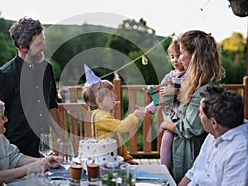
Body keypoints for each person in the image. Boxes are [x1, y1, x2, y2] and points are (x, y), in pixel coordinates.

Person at [159, 30, 225, 182]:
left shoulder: (205, 90)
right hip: (183, 152)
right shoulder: (195, 84)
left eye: (181, 53)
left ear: (194, 56)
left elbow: (189, 128)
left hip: (191, 154)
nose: (179, 58)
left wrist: (165, 124)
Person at [0, 17, 61, 157]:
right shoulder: (5, 74)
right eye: (38, 44)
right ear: (22, 47)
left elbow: (52, 105)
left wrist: (62, 136)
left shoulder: (47, 68)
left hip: (44, 149)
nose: (44, 47)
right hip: (16, 153)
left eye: (43, 41)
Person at [178, 86, 248, 185]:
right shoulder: (215, 133)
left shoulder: (240, 152)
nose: (199, 116)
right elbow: (193, 172)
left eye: (201, 113)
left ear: (213, 122)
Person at [82, 64, 147, 165]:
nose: (115, 96)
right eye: (110, 95)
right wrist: (135, 116)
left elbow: (118, 139)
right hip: (105, 163)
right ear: (99, 101)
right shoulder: (100, 117)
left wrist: (126, 158)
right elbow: (123, 127)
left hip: (112, 160)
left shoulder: (103, 114)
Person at [146, 39, 186, 170]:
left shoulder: (190, 76)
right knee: (166, 140)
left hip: (183, 118)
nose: (175, 60)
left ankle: (170, 168)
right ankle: (164, 168)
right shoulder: (169, 76)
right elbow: (160, 95)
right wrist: (149, 109)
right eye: (172, 57)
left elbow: (190, 92)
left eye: (179, 56)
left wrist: (176, 91)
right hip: (170, 118)